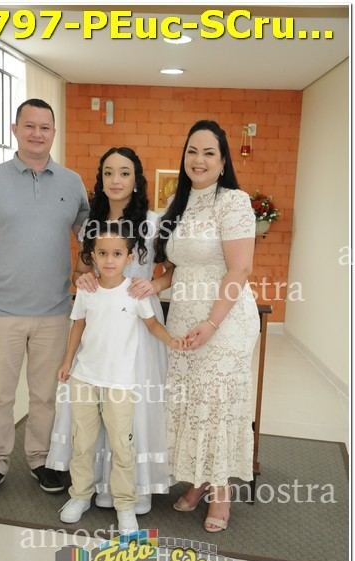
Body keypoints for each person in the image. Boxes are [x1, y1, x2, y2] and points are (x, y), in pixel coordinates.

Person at [0, 98, 90, 501]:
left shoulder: (71, 183)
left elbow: (91, 240)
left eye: (45, 127)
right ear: (15, 130)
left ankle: (40, 458)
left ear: (53, 133)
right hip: (2, 310)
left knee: (45, 394)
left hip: (55, 311)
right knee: (0, 394)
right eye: (29, 126)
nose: (37, 133)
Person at [46, 147, 174, 514]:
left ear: (137, 180)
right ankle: (91, 487)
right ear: (100, 179)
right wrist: (83, 278)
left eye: (124, 173)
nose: (116, 180)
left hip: (140, 325)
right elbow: (80, 271)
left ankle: (135, 491)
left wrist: (154, 285)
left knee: (130, 411)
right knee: (91, 409)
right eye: (108, 173)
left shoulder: (153, 222)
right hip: (100, 325)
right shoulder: (91, 223)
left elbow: (172, 270)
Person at [155, 119, 260, 532]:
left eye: (208, 153)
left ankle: (221, 494)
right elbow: (177, 267)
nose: (198, 160)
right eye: (192, 151)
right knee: (190, 401)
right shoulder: (178, 202)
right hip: (183, 318)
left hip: (224, 319)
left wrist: (213, 322)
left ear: (222, 161)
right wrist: (152, 284)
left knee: (215, 403)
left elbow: (240, 269)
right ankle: (197, 480)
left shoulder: (233, 202)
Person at [58, 221, 185, 533]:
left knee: (122, 447)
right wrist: (67, 362)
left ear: (129, 257)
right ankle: (80, 496)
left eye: (116, 254)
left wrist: (171, 341)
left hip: (120, 383)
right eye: (102, 253)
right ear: (93, 256)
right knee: (83, 442)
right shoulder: (87, 290)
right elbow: (77, 326)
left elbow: (152, 325)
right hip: (85, 378)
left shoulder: (135, 293)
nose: (109, 259)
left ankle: (125, 505)